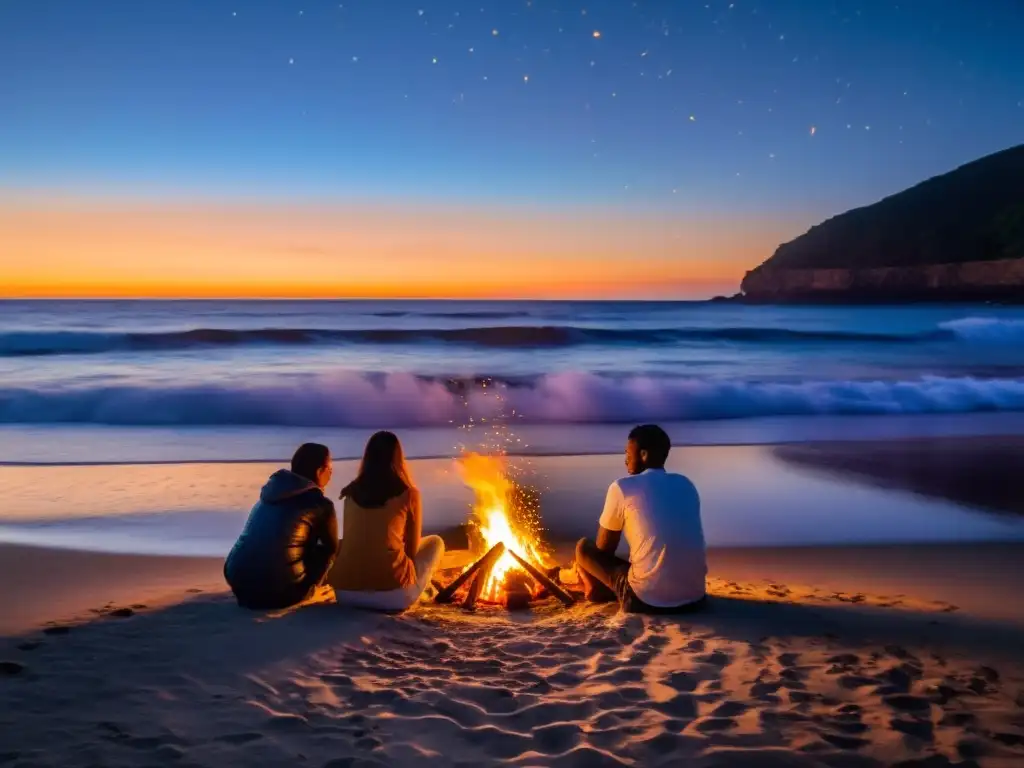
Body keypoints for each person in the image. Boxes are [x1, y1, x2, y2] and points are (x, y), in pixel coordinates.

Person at [575, 424, 707, 614]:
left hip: (645, 600)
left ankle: (594, 590)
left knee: (584, 548)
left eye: (628, 453)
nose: (625, 460)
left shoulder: (622, 487)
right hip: (695, 598)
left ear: (643, 455)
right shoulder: (686, 484)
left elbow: (604, 549)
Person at [329, 430, 445, 613]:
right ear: (398, 458)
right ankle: (420, 590)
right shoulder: (409, 494)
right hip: (392, 596)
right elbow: (412, 552)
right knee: (435, 542)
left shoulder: (349, 493)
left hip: (344, 593)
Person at [224, 443, 339, 610]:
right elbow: (330, 549)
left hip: (238, 581)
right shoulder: (320, 504)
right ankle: (311, 591)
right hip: (281, 592)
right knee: (332, 546)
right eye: (330, 468)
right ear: (319, 471)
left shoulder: (270, 493)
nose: (331, 474)